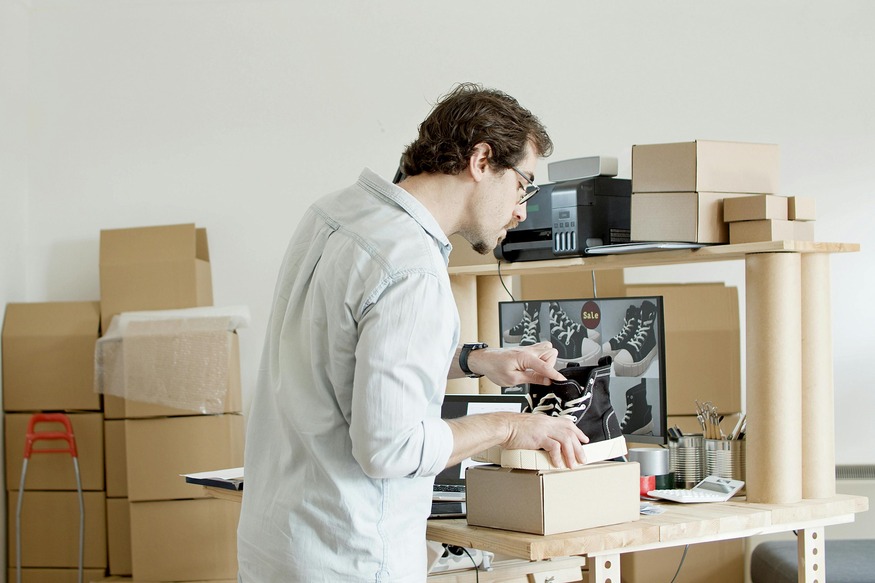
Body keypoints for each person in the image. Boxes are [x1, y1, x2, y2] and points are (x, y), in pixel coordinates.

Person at [237, 83, 588, 582]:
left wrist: (473, 360)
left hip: (276, 544)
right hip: (349, 556)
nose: (522, 209)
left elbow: (342, 354)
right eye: (523, 185)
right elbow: (390, 448)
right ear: (482, 160)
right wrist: (510, 425)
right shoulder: (412, 270)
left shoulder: (333, 214)